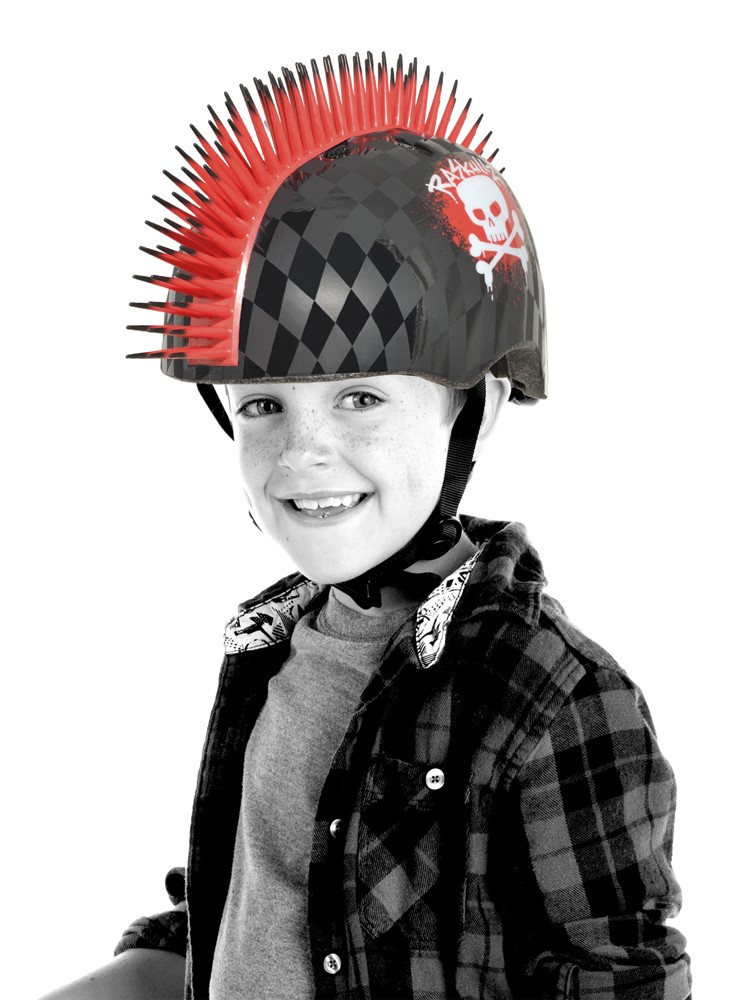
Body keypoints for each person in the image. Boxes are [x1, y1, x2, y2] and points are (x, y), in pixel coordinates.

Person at [38, 53, 691, 1000]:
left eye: (360, 397)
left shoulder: (551, 698)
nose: (303, 453)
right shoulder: (271, 646)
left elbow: (618, 978)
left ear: (477, 410)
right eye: (263, 406)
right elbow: (249, 898)